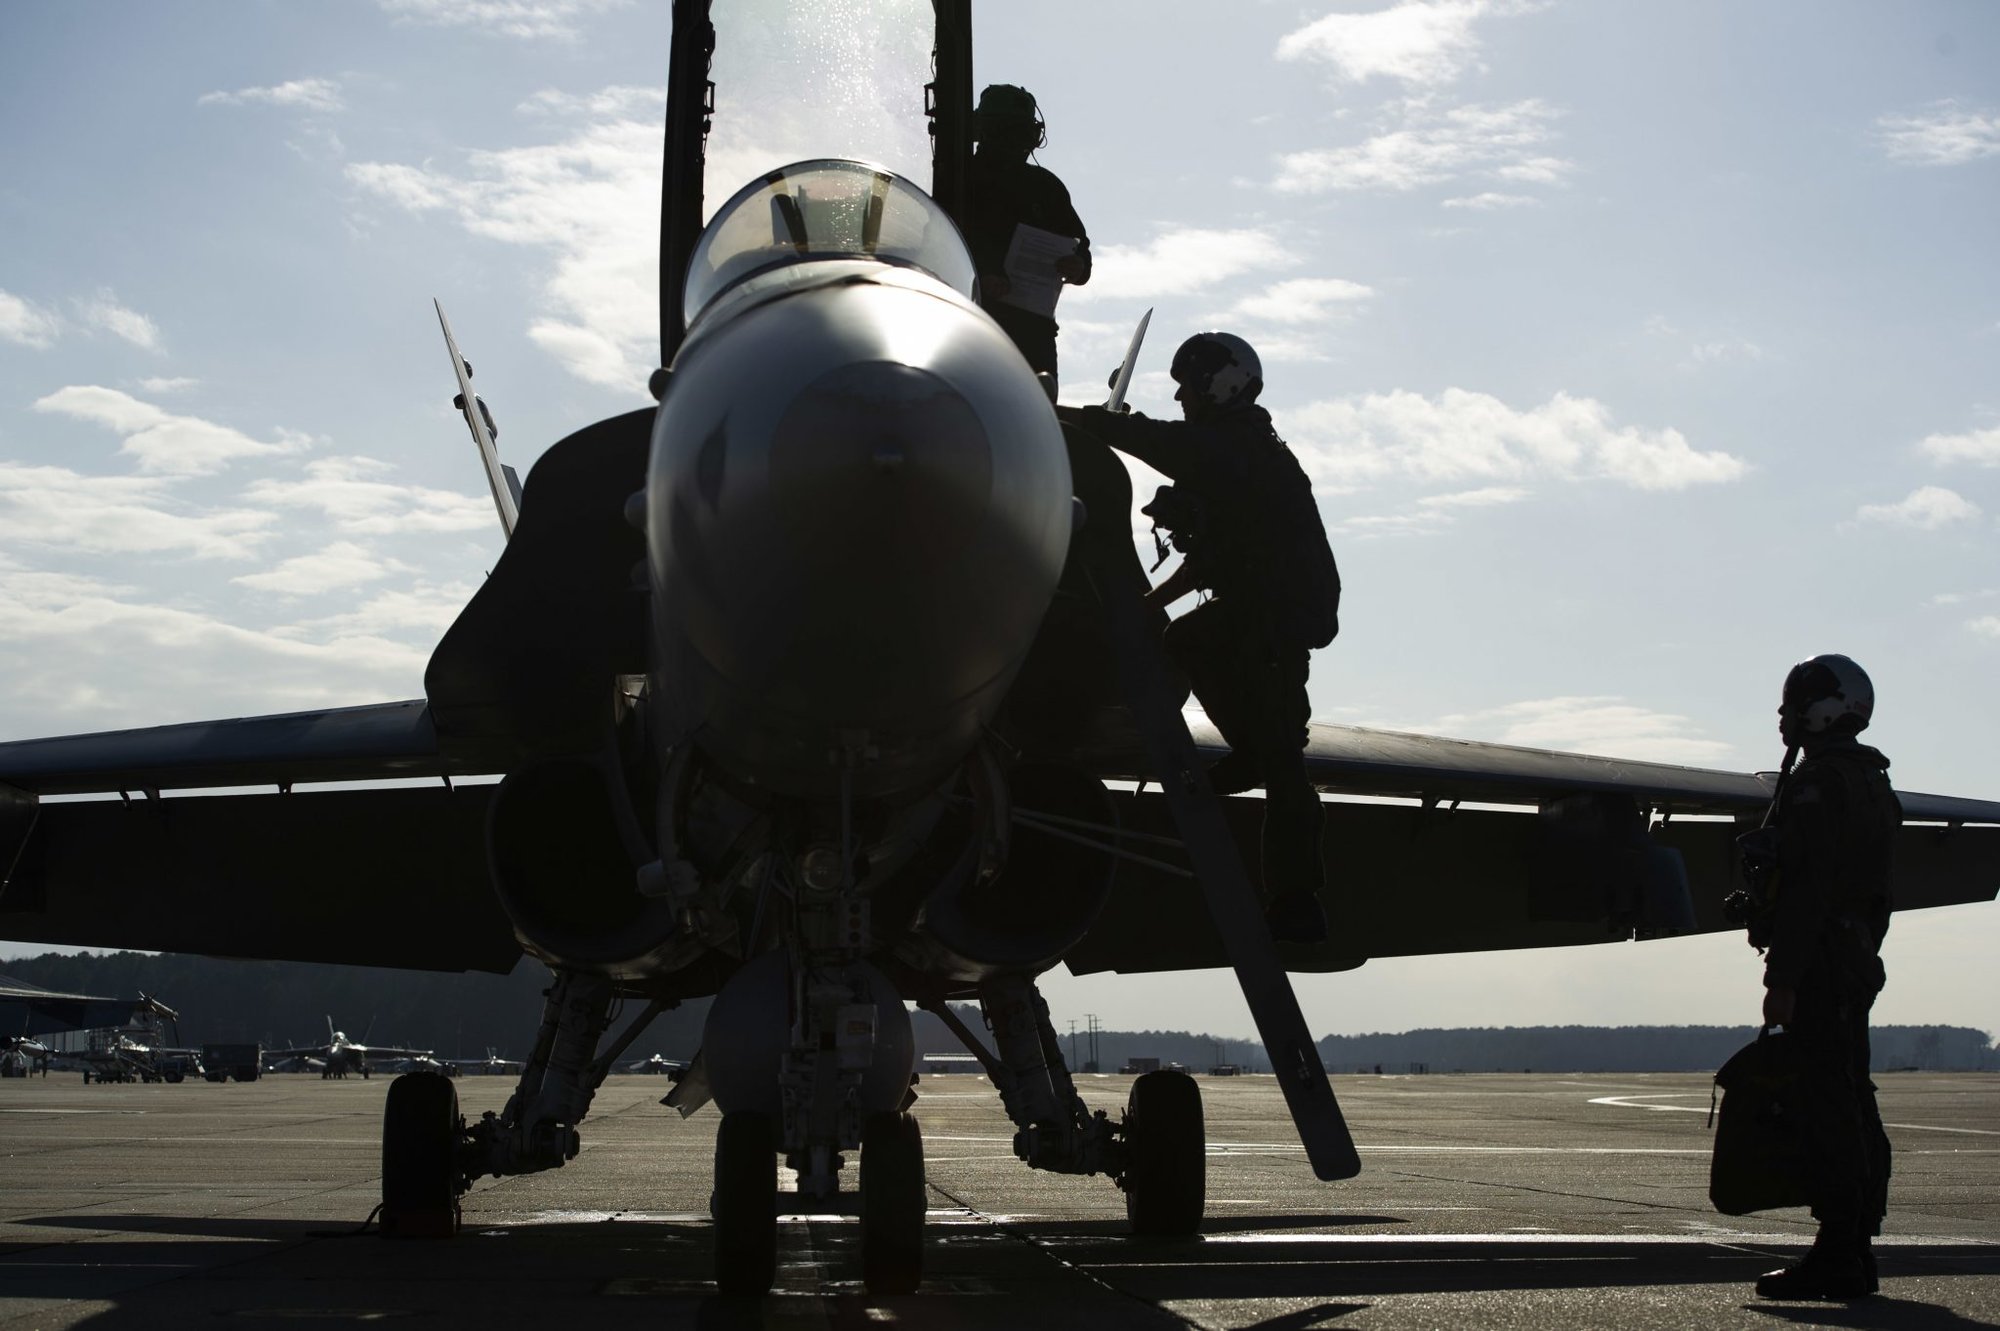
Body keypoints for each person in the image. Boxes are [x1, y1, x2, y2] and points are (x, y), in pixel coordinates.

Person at [1058, 332, 1340, 945]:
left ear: (1219, 385)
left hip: (1277, 627)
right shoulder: (1236, 463)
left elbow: (1161, 444)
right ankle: (1250, 752)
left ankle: (1297, 902)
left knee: (1285, 769)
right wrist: (1146, 605)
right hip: (1256, 616)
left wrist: (1078, 420)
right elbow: (1219, 561)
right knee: (1188, 642)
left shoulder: (1240, 452)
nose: (1182, 396)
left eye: (1189, 384)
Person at [1744, 654, 1900, 1301]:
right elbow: (1879, 891)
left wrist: (1782, 975)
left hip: (1821, 961)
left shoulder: (1817, 786)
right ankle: (1855, 1246)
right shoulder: (1870, 781)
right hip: (1856, 954)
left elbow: (1806, 890)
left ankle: (1838, 1252)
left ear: (1825, 707)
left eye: (1795, 704)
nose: (1786, 716)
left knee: (1827, 1102)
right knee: (1851, 1092)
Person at [964, 84, 1090, 388]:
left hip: (1031, 335)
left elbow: (1079, 246)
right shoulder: (958, 177)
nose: (1011, 141)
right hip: (969, 326)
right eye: (1004, 130)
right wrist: (980, 276)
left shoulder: (1046, 188)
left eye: (1017, 131)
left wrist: (1078, 265)